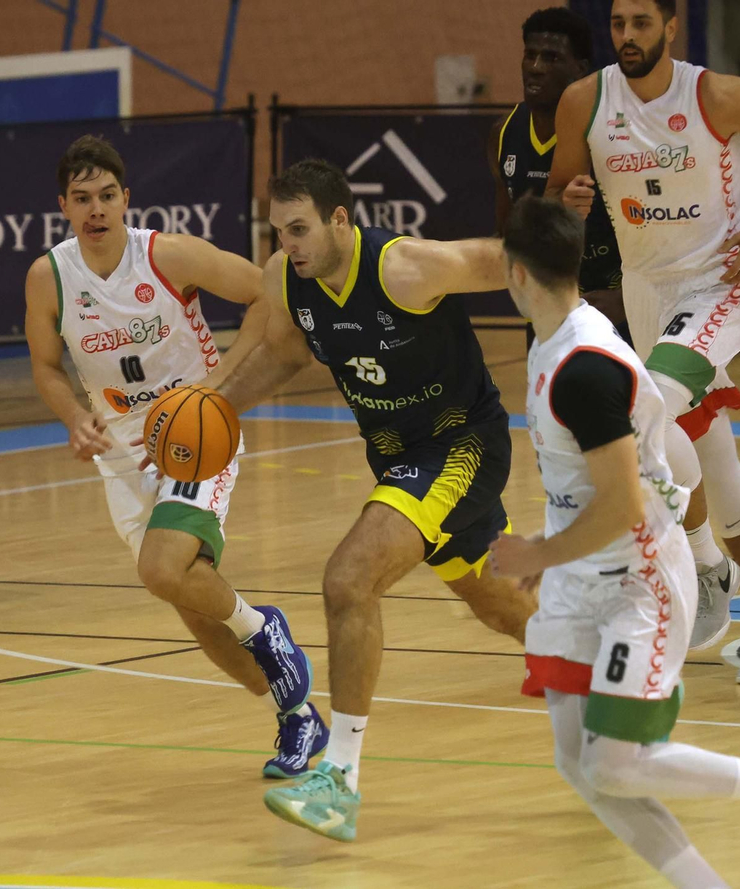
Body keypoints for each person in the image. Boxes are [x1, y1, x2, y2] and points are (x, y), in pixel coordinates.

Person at [491, 193, 740, 887]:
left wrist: (538, 553)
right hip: (580, 573)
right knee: (581, 763)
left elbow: (626, 503)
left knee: (618, 761)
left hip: (638, 578)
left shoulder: (584, 367)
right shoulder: (552, 335)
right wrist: (555, 548)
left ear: (516, 274)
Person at [200, 158, 537, 841]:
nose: (288, 245)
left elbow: (510, 261)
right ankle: (593, 650)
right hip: (398, 460)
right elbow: (287, 353)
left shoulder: (404, 268)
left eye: (300, 229)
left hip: (462, 445)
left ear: (341, 220)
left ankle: (341, 780)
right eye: (279, 231)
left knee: (349, 579)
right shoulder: (287, 281)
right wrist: (214, 407)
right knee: (497, 605)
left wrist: (584, 265)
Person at [546, 0, 740, 684]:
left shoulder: (717, 95)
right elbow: (555, 192)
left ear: (672, 26)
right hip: (648, 289)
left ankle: (707, 563)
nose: (628, 37)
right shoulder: (585, 100)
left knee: (647, 411)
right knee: (703, 444)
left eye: (642, 23)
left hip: (720, 281)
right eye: (618, 24)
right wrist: (569, 199)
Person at [23, 135, 325, 778]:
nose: (96, 209)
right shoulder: (49, 277)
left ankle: (267, 629)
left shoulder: (166, 254)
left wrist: (215, 387)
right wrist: (76, 415)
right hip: (122, 449)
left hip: (195, 434)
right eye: (83, 199)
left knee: (162, 570)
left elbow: (267, 292)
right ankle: (296, 713)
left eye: (107, 196)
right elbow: (46, 367)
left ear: (126, 199)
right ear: (64, 207)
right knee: (197, 613)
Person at [488, 7, 629, 344]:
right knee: (546, 398)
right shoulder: (503, 134)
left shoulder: (612, 137)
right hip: (547, 306)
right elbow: (509, 231)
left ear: (580, 69)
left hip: (614, 307)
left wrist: (625, 299)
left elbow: (653, 229)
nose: (535, 68)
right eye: (530, 55)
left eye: (551, 58)